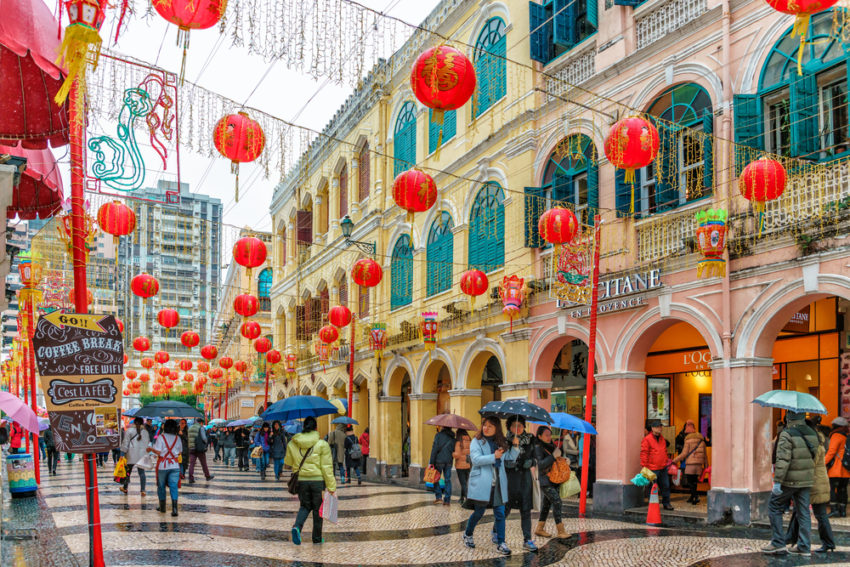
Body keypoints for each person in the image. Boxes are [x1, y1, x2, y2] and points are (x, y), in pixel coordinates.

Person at [762, 411, 818, 556]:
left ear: (788, 418)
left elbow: (783, 460)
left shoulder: (787, 434)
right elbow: (815, 457)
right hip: (806, 479)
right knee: (803, 511)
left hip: (790, 479)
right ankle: (804, 546)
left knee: (774, 506)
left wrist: (777, 482)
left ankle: (778, 543)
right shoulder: (812, 433)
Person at [462, 416, 518, 556]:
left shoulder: (501, 442)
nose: (486, 428)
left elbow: (509, 459)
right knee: (479, 512)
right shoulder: (477, 441)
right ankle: (468, 534)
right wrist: (494, 456)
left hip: (498, 483)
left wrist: (515, 447)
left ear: (496, 428)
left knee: (500, 513)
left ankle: (501, 543)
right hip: (482, 482)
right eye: (484, 425)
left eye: (490, 426)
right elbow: (475, 459)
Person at [284, 416, 336, 545]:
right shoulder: (322, 444)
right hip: (318, 481)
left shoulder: (292, 443)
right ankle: (317, 538)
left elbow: (288, 463)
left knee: (305, 506)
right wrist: (331, 487)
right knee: (318, 510)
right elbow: (327, 467)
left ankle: (297, 527)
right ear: (316, 428)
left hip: (301, 480)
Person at [786, 420, 835, 554]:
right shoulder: (817, 441)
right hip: (817, 481)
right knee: (800, 510)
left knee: (818, 514)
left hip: (815, 483)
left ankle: (827, 542)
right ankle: (791, 538)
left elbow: (809, 464)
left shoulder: (815, 444)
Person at [504, 415, 538, 552]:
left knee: (526, 509)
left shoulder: (531, 439)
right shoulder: (505, 440)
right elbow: (503, 460)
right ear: (509, 427)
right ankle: (496, 531)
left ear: (524, 426)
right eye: (514, 426)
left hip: (525, 479)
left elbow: (536, 456)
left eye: (520, 425)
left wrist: (532, 462)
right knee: (505, 508)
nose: (517, 428)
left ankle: (527, 539)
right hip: (510, 478)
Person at [534, 425, 569, 539]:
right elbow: (540, 464)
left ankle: (539, 529)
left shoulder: (551, 446)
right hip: (545, 480)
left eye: (550, 435)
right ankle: (561, 530)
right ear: (539, 436)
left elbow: (556, 461)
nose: (549, 437)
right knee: (557, 502)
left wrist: (563, 459)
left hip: (554, 479)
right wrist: (553, 456)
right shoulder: (538, 447)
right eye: (546, 435)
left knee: (546, 505)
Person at [147, 418, 182, 517]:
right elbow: (180, 452)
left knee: (161, 486)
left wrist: (151, 449)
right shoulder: (177, 438)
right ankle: (175, 509)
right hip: (175, 465)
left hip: (163, 465)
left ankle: (162, 508)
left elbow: (158, 451)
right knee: (173, 486)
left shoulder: (161, 437)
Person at [672, 420, 707, 505]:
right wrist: (706, 466)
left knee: (690, 481)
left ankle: (696, 496)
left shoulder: (688, 441)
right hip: (699, 464)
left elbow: (684, 454)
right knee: (694, 481)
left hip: (690, 464)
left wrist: (674, 461)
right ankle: (692, 497)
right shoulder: (701, 440)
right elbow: (705, 455)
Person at [640, 420, 673, 510]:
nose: (660, 428)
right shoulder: (647, 439)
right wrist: (644, 466)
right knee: (653, 488)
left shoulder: (662, 439)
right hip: (652, 468)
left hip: (662, 467)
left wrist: (666, 461)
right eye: (658, 427)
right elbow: (644, 453)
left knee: (665, 486)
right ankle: (653, 505)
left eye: (660, 426)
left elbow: (664, 451)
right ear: (653, 428)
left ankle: (666, 503)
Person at [824, 416, 849, 518]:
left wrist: (823, 463)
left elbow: (831, 452)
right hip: (846, 469)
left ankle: (834, 510)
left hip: (836, 469)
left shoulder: (836, 436)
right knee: (842, 489)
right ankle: (842, 511)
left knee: (832, 488)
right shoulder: (846, 436)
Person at [120, 417, 150, 496]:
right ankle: (143, 490)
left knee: (128, 472)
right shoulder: (145, 432)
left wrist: (122, 454)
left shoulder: (129, 431)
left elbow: (125, 443)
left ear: (134, 422)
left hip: (131, 454)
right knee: (142, 473)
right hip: (141, 455)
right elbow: (147, 444)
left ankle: (125, 488)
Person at [428, 426, 455, 505]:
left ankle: (439, 497)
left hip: (438, 461)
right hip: (449, 461)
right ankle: (447, 500)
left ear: (443, 427)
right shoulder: (453, 437)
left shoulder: (438, 435)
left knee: (435, 478)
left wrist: (431, 462)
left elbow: (434, 448)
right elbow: (453, 450)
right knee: (447, 480)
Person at [187, 417, 214, 483]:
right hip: (199, 448)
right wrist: (205, 443)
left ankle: (191, 478)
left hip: (191, 448)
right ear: (201, 423)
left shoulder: (190, 428)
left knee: (192, 464)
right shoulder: (201, 428)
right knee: (203, 463)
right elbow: (204, 438)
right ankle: (207, 476)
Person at [453, 428, 471, 506]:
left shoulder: (458, 442)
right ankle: (461, 498)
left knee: (463, 483)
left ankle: (467, 499)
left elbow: (457, 455)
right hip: (468, 464)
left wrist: (452, 453)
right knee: (465, 482)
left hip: (460, 466)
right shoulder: (470, 441)